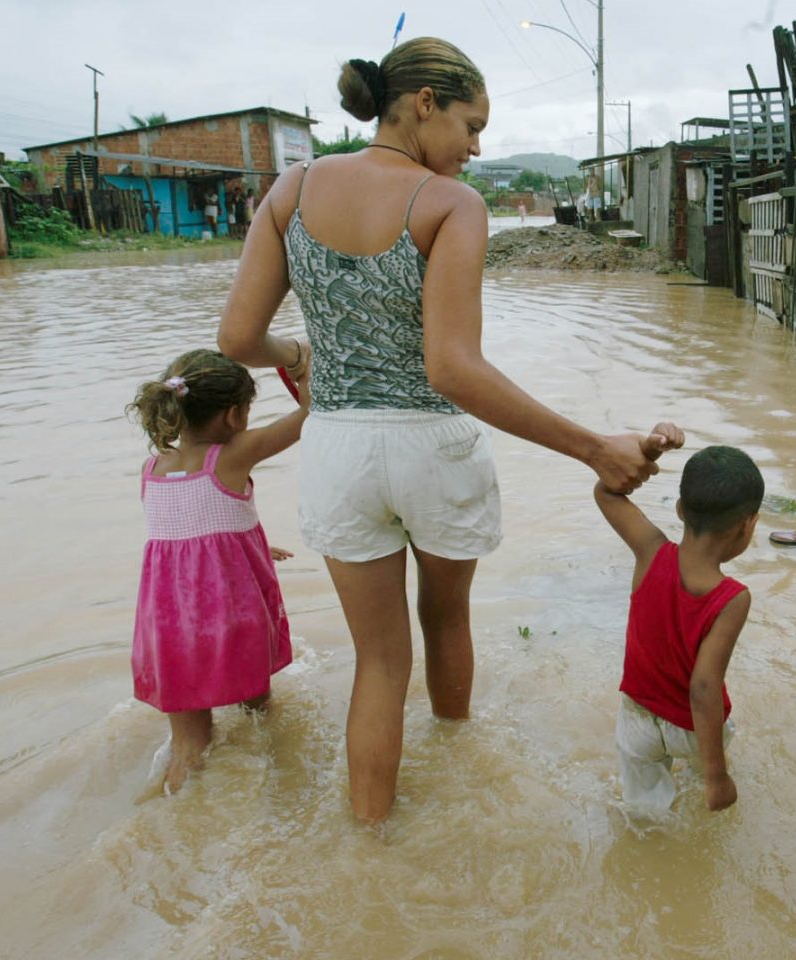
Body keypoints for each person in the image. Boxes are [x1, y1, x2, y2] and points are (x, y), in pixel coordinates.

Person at [216, 36, 656, 822]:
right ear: (425, 105)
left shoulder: (292, 188)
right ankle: (458, 763)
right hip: (432, 446)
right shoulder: (450, 204)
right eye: (471, 124)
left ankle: (369, 843)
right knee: (445, 618)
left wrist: (299, 357)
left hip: (339, 448)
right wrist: (594, 446)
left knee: (379, 663)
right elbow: (452, 368)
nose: (477, 147)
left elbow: (238, 340)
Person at [127, 348, 311, 793]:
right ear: (234, 416)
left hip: (167, 627)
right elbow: (311, 414)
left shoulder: (153, 467)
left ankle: (170, 800)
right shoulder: (234, 454)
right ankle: (275, 780)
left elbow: (190, 535)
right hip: (229, 617)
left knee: (190, 746)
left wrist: (256, 540)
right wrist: (300, 364)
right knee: (258, 707)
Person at [595, 433, 763, 815]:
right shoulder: (732, 598)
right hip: (690, 730)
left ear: (679, 509)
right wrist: (717, 778)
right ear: (746, 525)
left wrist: (648, 453)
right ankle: (696, 782)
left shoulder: (649, 549)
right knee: (700, 792)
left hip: (637, 719)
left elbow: (606, 494)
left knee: (644, 813)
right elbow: (703, 688)